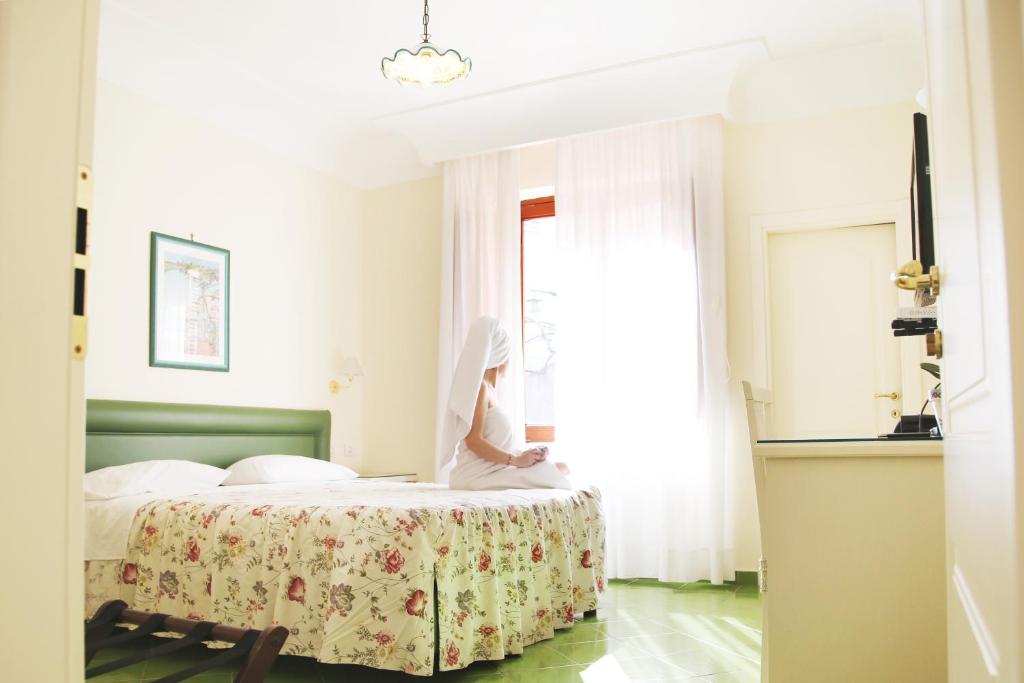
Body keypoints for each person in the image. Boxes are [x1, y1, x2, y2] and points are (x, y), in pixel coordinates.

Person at [440, 316, 571, 490]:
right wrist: (515, 460)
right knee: (559, 471)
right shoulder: (481, 389)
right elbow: (474, 441)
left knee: (561, 468)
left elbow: (497, 444)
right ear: (500, 355)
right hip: (476, 476)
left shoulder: (490, 391)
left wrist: (527, 455)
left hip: (493, 471)